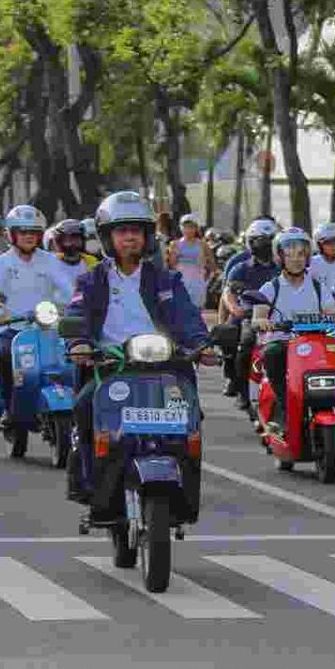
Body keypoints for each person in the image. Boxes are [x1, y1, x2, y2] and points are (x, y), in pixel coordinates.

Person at [63, 190, 214, 508]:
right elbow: (77, 314)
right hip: (110, 366)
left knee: (190, 416)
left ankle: (185, 488)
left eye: (136, 230)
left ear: (147, 236)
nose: (129, 237)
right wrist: (78, 342)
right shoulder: (91, 281)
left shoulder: (166, 280)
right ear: (107, 236)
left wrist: (203, 345)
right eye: (121, 230)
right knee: (83, 405)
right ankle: (88, 481)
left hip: (165, 365)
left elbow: (187, 317)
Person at [252, 227, 335, 434]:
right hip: (282, 342)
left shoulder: (318, 287)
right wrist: (262, 321)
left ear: (308, 256)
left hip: (315, 343)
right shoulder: (270, 288)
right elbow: (258, 316)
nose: (296, 259)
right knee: (272, 353)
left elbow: (331, 311)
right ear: (280, 257)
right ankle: (284, 410)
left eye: (301, 253)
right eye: (289, 254)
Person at [0, 204, 75, 415]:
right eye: (23, 232)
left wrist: (73, 306)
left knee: (70, 357)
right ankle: (9, 407)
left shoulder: (50, 261)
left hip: (46, 327)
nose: (29, 236)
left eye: (34, 232)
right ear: (12, 234)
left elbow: (68, 289)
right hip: (12, 328)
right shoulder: (1, 263)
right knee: (5, 353)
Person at [221, 217, 281, 406]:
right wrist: (235, 309)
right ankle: (241, 389)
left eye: (268, 240)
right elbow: (228, 293)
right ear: (250, 242)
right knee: (240, 341)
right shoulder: (240, 268)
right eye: (258, 240)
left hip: (278, 316)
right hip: (249, 317)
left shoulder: (283, 268)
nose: (264, 245)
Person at [166, 213, 216, 310]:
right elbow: (171, 264)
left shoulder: (203, 244)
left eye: (191, 227)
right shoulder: (175, 244)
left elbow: (212, 263)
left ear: (196, 228)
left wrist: (208, 277)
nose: (188, 230)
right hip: (181, 281)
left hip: (198, 282)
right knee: (181, 309)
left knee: (196, 309)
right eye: (185, 227)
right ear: (181, 228)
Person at [53, 218, 100, 289]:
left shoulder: (92, 261)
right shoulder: (51, 262)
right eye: (68, 239)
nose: (73, 242)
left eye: (77, 237)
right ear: (60, 240)